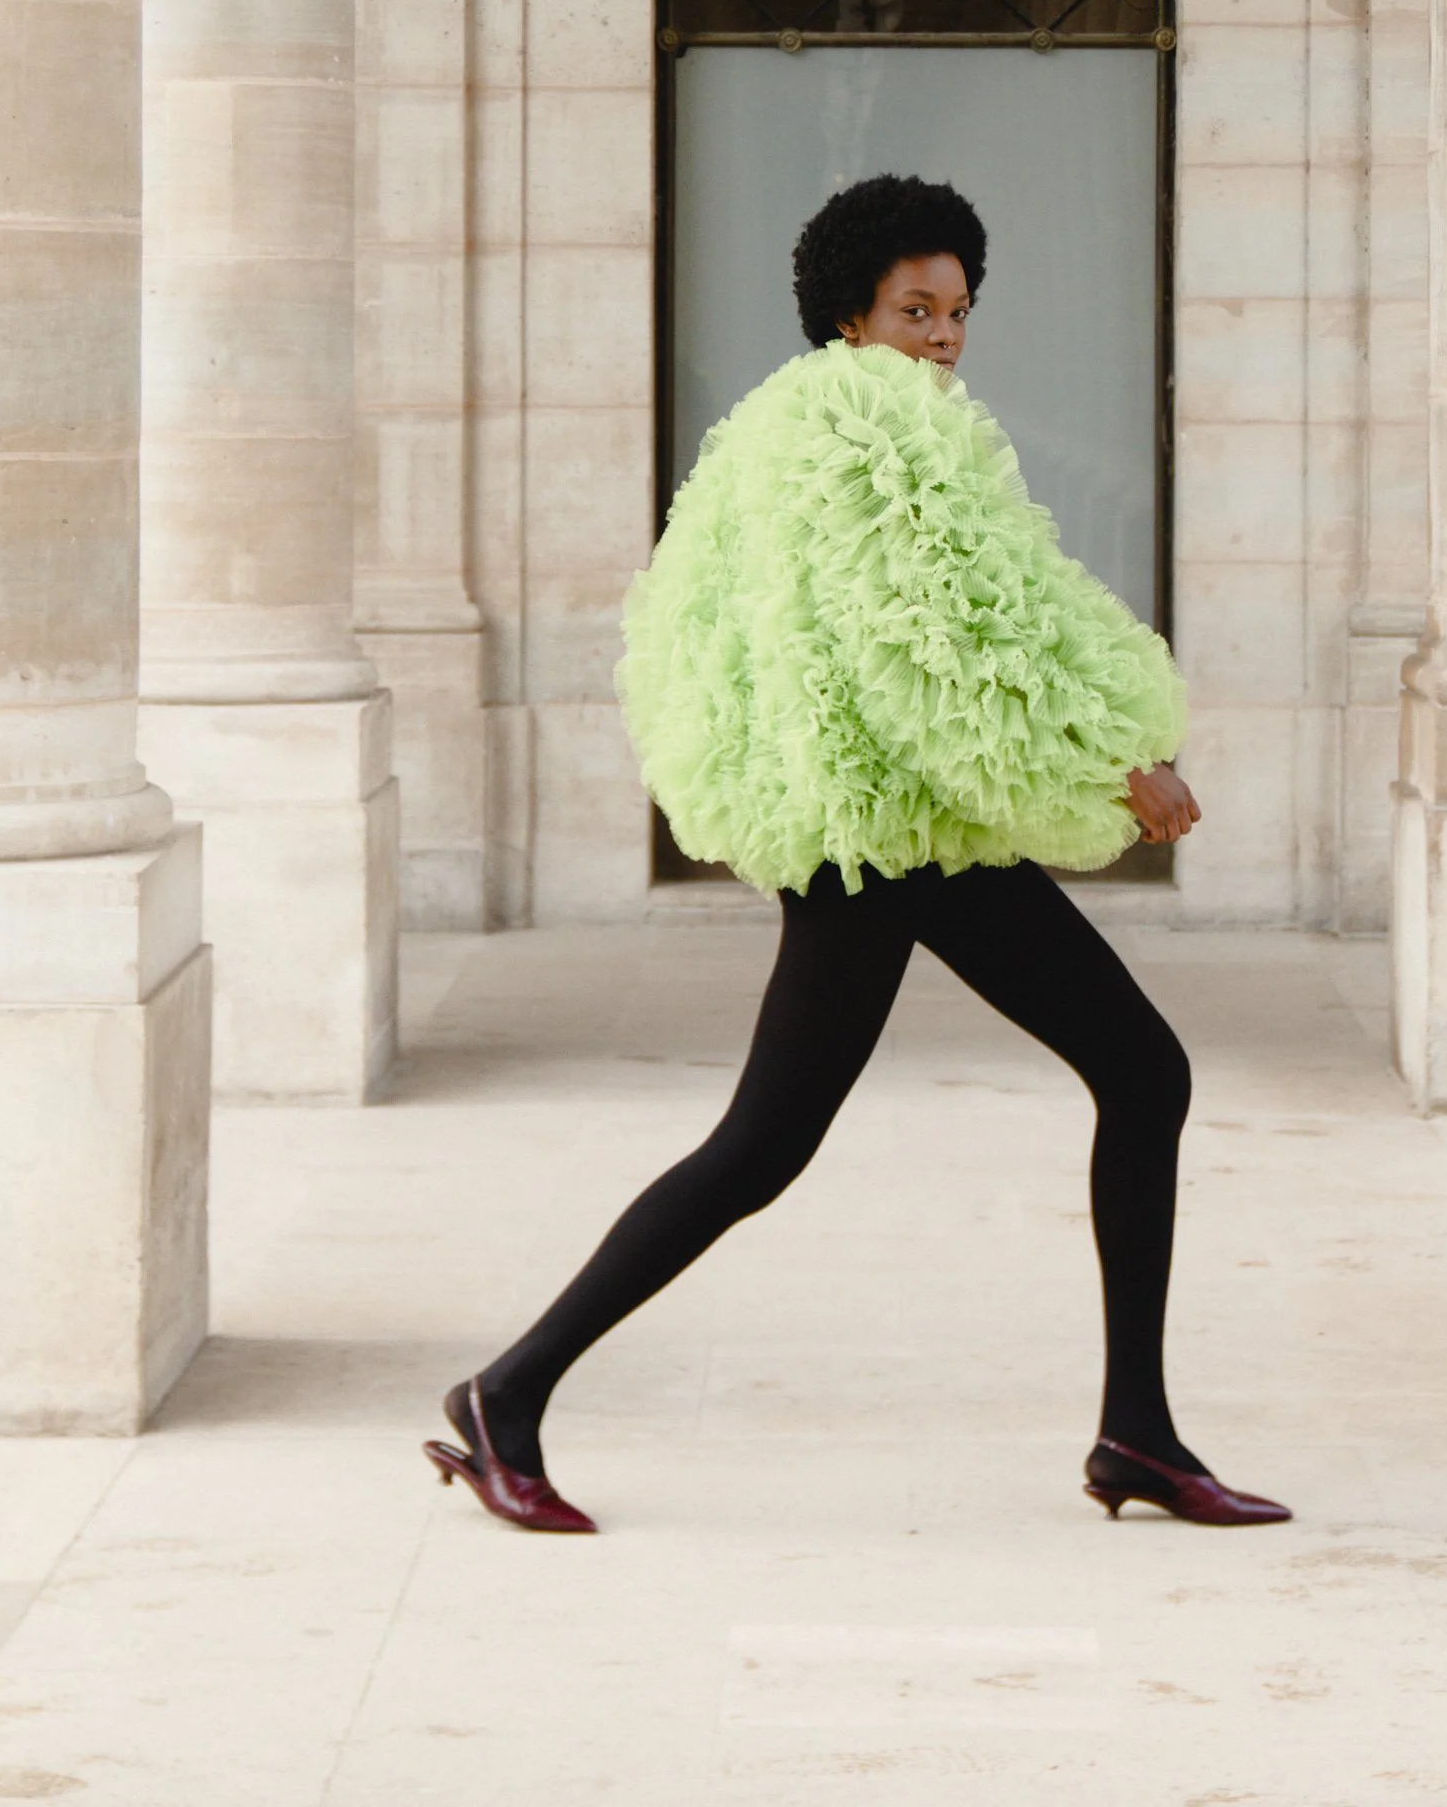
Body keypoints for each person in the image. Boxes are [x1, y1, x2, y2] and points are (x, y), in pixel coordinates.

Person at [425, 174, 1291, 1538]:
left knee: (864, 1121)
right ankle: (509, 1390)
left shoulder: (787, 419)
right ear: (853, 311)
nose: (943, 335)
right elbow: (943, 634)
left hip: (873, 823)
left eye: (957, 310)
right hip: (887, 836)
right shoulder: (880, 427)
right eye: (914, 309)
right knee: (816, 1132)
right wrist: (1111, 761)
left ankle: (1138, 1430)